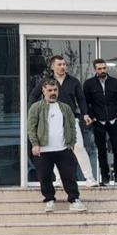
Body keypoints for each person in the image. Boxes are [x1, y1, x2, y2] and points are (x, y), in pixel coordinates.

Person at [29, 55, 98, 187]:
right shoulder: (46, 81)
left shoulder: (74, 81)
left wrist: (85, 114)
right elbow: (33, 95)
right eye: (59, 64)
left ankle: (89, 178)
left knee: (78, 147)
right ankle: (59, 179)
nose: (63, 67)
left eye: (64, 64)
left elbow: (81, 99)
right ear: (52, 66)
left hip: (70, 119)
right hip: (50, 120)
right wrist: (33, 111)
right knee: (53, 149)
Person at [28, 78, 88, 212]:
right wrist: (35, 144)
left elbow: (72, 126)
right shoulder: (36, 107)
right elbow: (31, 128)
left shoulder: (65, 108)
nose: (53, 92)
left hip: (63, 149)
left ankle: (74, 199)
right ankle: (49, 200)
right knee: (45, 177)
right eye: (49, 90)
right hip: (43, 150)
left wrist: (71, 143)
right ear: (43, 91)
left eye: (55, 90)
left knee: (69, 176)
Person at [83, 58, 117, 185]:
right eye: (99, 68)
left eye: (104, 68)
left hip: (114, 121)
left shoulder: (115, 82)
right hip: (98, 121)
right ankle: (105, 178)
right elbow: (86, 102)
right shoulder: (89, 84)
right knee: (101, 151)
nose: (102, 71)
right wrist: (92, 117)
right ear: (95, 70)